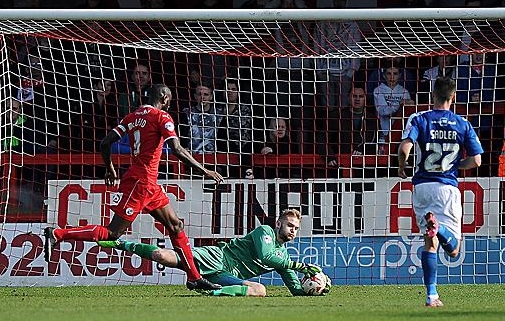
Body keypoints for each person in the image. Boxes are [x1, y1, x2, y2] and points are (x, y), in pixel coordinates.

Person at [43, 84, 224, 291]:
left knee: (175, 226)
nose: (169, 104)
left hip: (148, 183)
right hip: (140, 183)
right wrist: (205, 171)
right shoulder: (162, 117)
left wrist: (110, 169)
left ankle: (194, 277)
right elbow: (177, 149)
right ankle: (57, 234)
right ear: (164, 98)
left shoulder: (131, 117)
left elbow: (105, 143)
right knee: (112, 234)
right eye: (170, 101)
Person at [97, 208, 331, 297]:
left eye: (296, 229)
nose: (292, 231)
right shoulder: (265, 232)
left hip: (225, 275)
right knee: (162, 256)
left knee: (260, 290)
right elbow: (264, 256)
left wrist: (316, 286)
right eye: (290, 225)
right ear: (279, 223)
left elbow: (296, 290)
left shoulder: (284, 258)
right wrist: (300, 266)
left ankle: (212, 291)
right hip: (219, 257)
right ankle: (120, 243)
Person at [397, 76, 483, 307]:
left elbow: (405, 147)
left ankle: (432, 295)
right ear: (453, 97)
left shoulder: (419, 118)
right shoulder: (463, 123)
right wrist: (456, 165)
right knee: (453, 250)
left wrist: (402, 166)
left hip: (422, 187)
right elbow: (476, 160)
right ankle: (441, 227)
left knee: (429, 242)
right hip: (447, 187)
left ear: (433, 95)